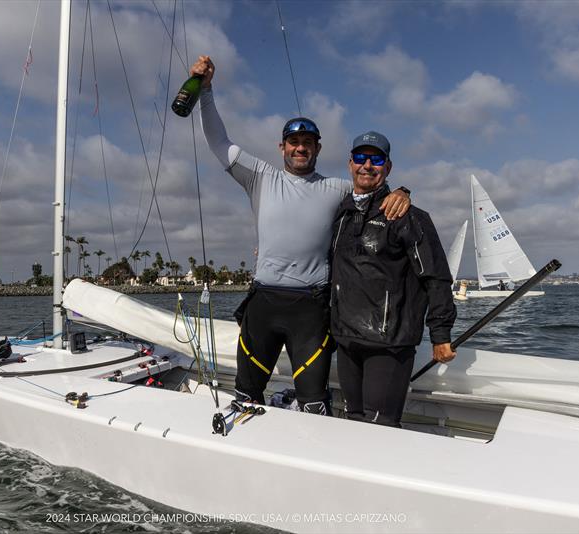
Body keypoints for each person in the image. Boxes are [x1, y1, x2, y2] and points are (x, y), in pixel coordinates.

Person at [191, 56, 411, 415]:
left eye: (308, 142)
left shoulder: (337, 188)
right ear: (282, 147)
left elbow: (372, 185)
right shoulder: (260, 177)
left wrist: (403, 190)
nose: (300, 147)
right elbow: (219, 142)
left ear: (319, 149)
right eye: (293, 141)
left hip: (311, 309)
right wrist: (206, 90)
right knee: (246, 398)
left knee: (314, 405)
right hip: (263, 305)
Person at [330, 131, 456, 427]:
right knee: (352, 420)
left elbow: (436, 276)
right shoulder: (342, 214)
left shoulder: (408, 215)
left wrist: (441, 334)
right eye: (360, 157)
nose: (367, 165)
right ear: (350, 163)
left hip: (388, 343)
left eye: (376, 159)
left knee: (379, 426)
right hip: (346, 340)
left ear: (388, 167)